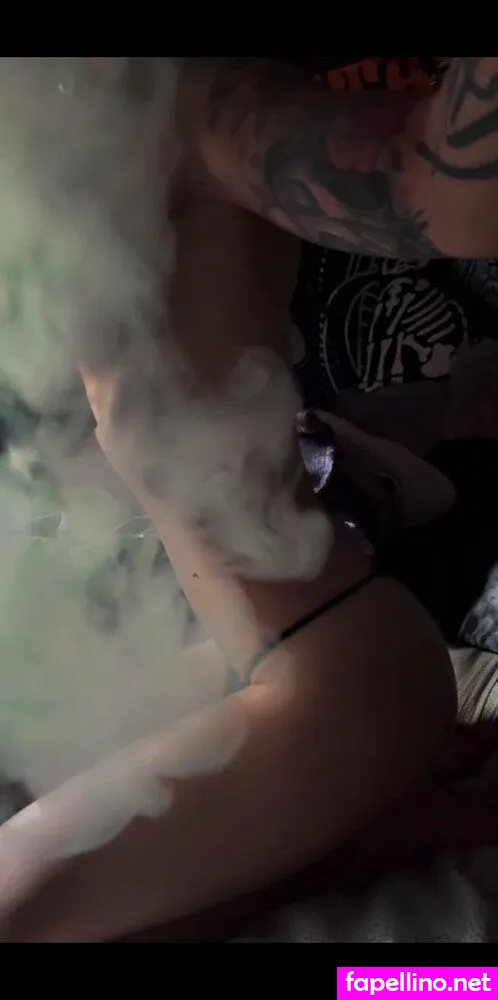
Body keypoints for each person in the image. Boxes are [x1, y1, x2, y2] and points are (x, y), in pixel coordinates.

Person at [3, 54, 498, 942]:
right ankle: (352, 829)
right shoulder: (97, 107)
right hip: (265, 648)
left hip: (326, 672)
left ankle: (382, 871)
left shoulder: (196, 106)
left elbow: (442, 190)